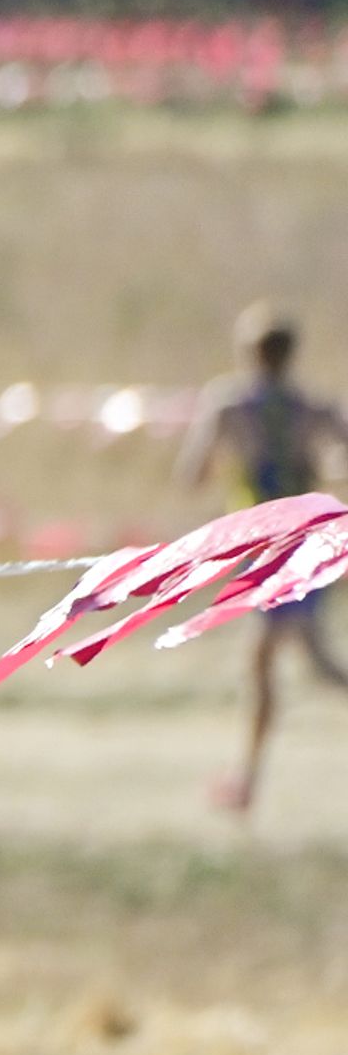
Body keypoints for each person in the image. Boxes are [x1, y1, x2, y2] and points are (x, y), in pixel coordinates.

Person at [179, 304, 346, 813]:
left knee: (287, 660)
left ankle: (245, 783)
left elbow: (192, 473)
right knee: (284, 658)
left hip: (269, 547)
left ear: (249, 352)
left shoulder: (229, 406)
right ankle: (245, 781)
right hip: (309, 540)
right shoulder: (313, 407)